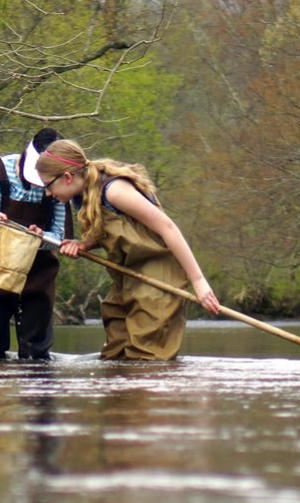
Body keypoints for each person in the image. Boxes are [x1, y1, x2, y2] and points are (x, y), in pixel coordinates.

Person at [33, 139, 221, 361]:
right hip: (128, 277)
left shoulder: (115, 191)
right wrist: (83, 244)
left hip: (158, 277)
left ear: (67, 177)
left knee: (146, 358)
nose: (47, 193)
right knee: (117, 353)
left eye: (48, 185)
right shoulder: (86, 195)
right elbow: (115, 230)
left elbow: (167, 227)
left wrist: (198, 281)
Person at [0, 128, 73, 360]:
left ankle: (34, 363)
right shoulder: (2, 169)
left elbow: (60, 235)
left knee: (35, 348)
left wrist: (43, 237)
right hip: (1, 262)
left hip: (39, 267)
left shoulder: (62, 183)